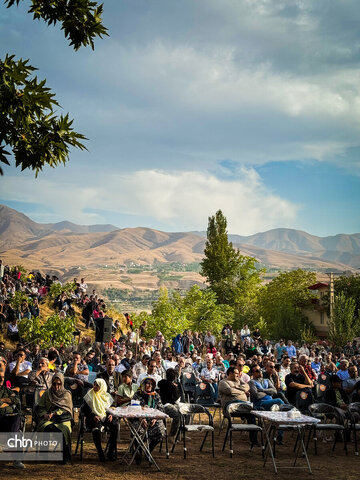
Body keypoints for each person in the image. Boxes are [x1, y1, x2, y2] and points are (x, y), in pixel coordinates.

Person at [35, 373, 73, 464]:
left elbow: (67, 409)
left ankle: (65, 457)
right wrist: (45, 414)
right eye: (54, 384)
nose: (56, 386)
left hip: (62, 420)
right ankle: (44, 456)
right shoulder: (47, 393)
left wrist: (55, 413)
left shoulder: (66, 394)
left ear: (62, 383)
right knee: (46, 428)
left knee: (64, 430)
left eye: (59, 384)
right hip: (48, 419)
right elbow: (40, 407)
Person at [132, 377, 166, 463]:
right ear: (143, 384)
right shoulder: (137, 395)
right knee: (138, 431)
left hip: (152, 420)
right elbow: (133, 409)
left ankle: (148, 450)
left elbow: (161, 409)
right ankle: (138, 451)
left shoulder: (156, 396)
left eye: (152, 384)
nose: (150, 385)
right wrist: (141, 418)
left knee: (161, 430)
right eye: (148, 383)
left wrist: (155, 418)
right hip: (139, 419)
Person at [83, 378, 117, 461]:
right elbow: (85, 410)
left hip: (105, 418)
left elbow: (113, 407)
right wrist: (93, 415)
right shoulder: (89, 396)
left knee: (115, 427)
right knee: (96, 430)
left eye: (97, 385)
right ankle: (100, 452)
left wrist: (111, 415)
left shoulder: (107, 396)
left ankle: (110, 451)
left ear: (102, 386)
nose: (94, 387)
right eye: (94, 385)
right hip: (93, 419)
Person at [0, 372, 24, 469]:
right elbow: (12, 400)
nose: (1, 379)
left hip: (8, 419)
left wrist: (2, 401)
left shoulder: (7, 390)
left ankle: (17, 460)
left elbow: (16, 400)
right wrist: (8, 401)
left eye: (2, 377)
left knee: (17, 417)